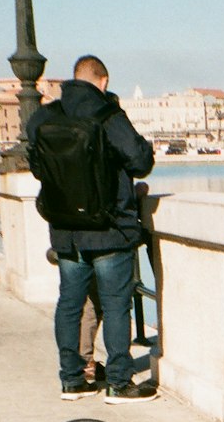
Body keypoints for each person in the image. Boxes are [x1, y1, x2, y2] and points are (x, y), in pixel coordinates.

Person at [28, 54, 158, 403]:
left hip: (67, 228)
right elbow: (140, 161)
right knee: (117, 305)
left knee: (69, 303)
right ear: (103, 81)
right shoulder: (107, 114)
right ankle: (118, 382)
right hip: (108, 227)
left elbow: (37, 164)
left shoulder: (46, 115)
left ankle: (72, 380)